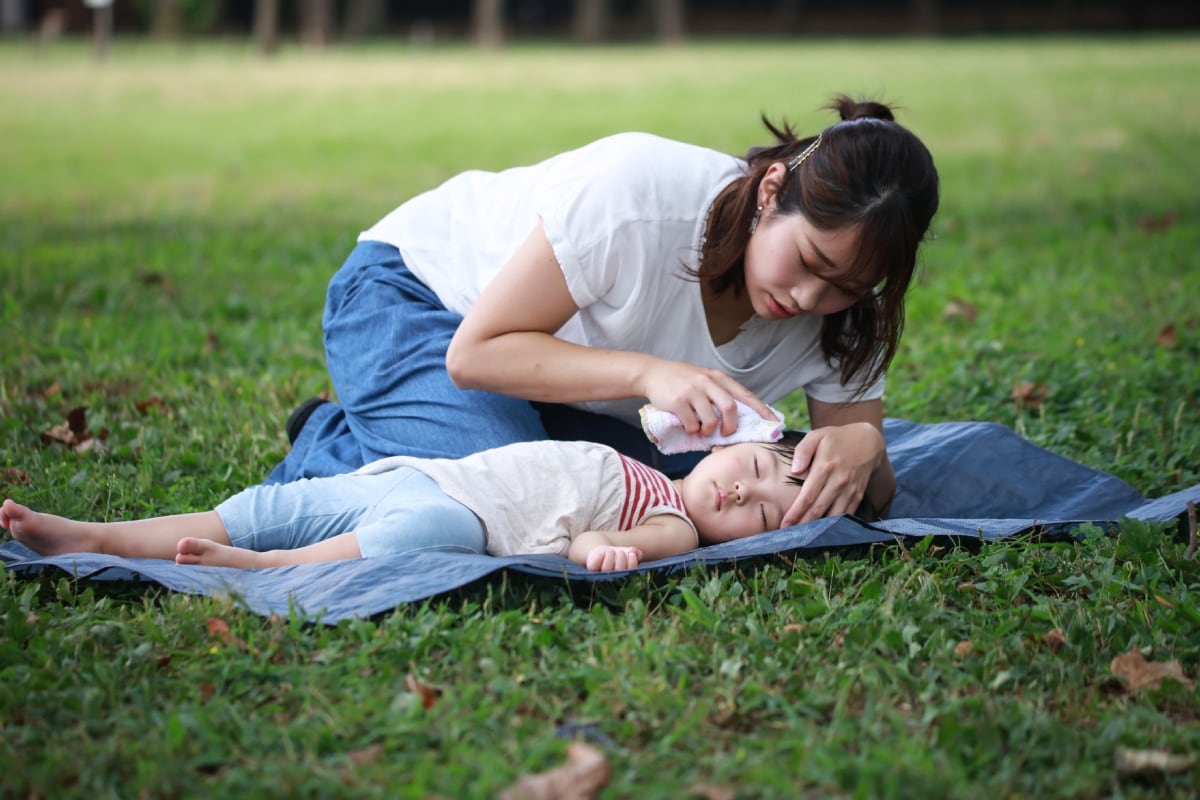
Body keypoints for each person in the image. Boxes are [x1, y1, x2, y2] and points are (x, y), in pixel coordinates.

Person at [272, 94, 939, 528]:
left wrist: (865, 445)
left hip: (553, 384)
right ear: (771, 191)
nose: (808, 302)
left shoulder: (847, 317)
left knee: (684, 492)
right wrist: (649, 374)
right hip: (416, 297)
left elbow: (859, 496)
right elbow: (475, 354)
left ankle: (415, 424)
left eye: (848, 287)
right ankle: (334, 441)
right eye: (810, 264)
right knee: (518, 502)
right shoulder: (638, 194)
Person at [3, 433, 810, 573]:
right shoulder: (657, 466)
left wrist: (602, 551)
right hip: (419, 475)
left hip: (464, 519)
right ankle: (94, 534)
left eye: (761, 514)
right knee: (262, 502)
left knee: (397, 546)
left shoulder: (674, 522)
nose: (739, 490)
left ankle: (263, 568)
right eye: (747, 466)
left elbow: (593, 545)